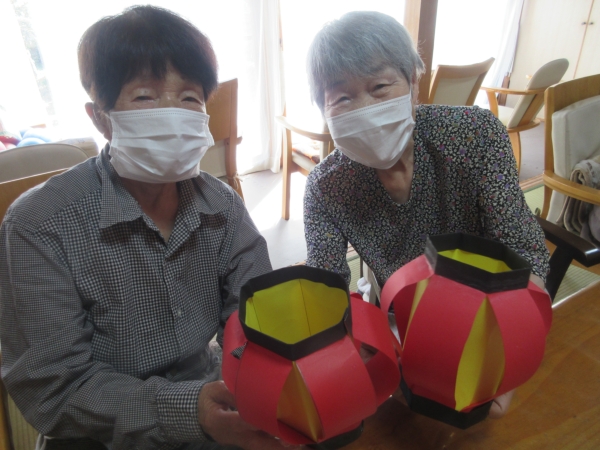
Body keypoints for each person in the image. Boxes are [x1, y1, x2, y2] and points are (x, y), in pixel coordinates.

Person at [0, 6, 295, 450]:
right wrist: (189, 410)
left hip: (216, 403)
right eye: (144, 97)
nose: (172, 115)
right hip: (95, 435)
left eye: (190, 98)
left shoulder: (221, 206)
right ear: (99, 116)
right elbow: (55, 388)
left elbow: (256, 315)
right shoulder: (39, 226)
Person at [303, 11, 551, 419]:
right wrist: (360, 355)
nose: (364, 107)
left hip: (486, 312)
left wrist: (510, 344)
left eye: (380, 87)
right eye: (342, 98)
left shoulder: (474, 135)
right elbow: (326, 290)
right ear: (324, 110)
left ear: (414, 85)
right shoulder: (326, 186)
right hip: (398, 322)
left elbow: (523, 248)